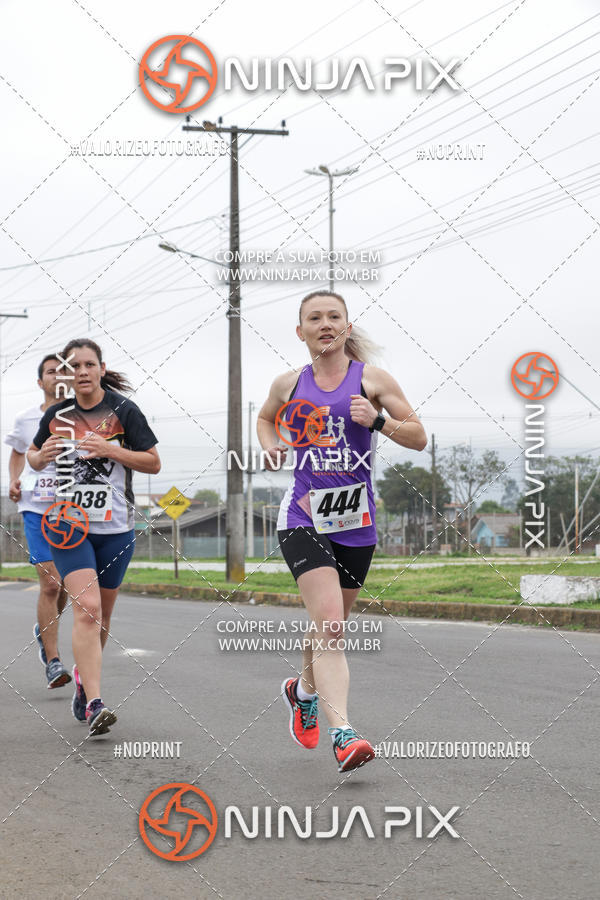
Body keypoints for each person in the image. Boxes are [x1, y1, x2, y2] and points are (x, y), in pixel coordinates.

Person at [257, 290, 427, 773]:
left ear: (347, 327)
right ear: (301, 331)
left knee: (329, 626)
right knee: (330, 624)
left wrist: (378, 422)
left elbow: (418, 436)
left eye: (335, 317)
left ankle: (302, 690)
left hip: (356, 522)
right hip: (303, 518)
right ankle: (344, 733)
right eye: (315, 318)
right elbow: (265, 418)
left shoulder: (372, 380)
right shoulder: (288, 384)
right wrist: (270, 444)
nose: (326, 324)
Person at [27, 339, 160, 735]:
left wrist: (111, 450)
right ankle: (97, 704)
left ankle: (85, 685)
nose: (81, 371)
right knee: (86, 607)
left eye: (89, 364)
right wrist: (43, 454)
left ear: (101, 369)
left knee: (101, 614)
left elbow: (153, 461)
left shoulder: (124, 410)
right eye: (74, 366)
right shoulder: (57, 413)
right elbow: (33, 456)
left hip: (116, 528)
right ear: (66, 375)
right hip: (68, 524)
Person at [6, 354, 71, 689]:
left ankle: (44, 629)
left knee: (65, 586)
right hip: (35, 507)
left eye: (63, 371)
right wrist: (14, 480)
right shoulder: (26, 418)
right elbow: (18, 452)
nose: (57, 375)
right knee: (50, 583)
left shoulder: (83, 414)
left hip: (74, 509)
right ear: (39, 381)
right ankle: (54, 660)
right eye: (51, 371)